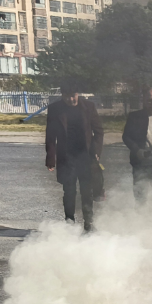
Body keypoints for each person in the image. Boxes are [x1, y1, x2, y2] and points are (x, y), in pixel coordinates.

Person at [45, 85, 104, 232]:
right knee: (69, 191)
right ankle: (69, 222)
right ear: (62, 95)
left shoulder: (88, 107)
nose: (70, 99)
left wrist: (96, 150)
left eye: (73, 96)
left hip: (86, 156)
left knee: (87, 190)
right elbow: (50, 136)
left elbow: (98, 131)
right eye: (67, 96)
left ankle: (89, 224)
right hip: (66, 157)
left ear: (78, 93)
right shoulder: (55, 109)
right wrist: (50, 158)